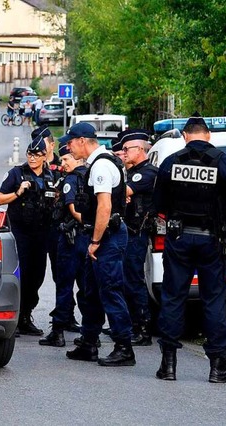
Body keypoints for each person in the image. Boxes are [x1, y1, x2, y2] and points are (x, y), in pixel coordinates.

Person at [153, 113, 226, 383]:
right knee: (214, 299)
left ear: (185, 136)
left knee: (173, 297)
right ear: (208, 136)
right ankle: (218, 366)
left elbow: (158, 204)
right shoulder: (225, 164)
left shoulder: (171, 162)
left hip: (179, 239)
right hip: (212, 239)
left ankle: (168, 364)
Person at [58, 122, 135, 367]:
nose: (68, 147)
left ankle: (124, 348)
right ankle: (88, 343)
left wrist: (95, 241)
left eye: (70, 142)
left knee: (110, 290)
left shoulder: (101, 164)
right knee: (90, 292)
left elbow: (104, 206)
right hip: (102, 233)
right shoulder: (103, 161)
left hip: (106, 236)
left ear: (82, 140)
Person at [0, 136, 56, 335]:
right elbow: (0, 198)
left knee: (36, 275)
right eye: (30, 154)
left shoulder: (50, 176)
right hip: (20, 232)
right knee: (19, 275)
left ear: (44, 156)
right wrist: (18, 193)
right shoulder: (16, 174)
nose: (32, 158)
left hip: (41, 233)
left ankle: (26, 315)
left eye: (36, 155)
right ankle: (15, 318)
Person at [40, 141, 86, 346]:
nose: (63, 163)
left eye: (67, 159)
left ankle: (58, 332)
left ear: (78, 159)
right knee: (86, 288)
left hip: (71, 239)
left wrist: (87, 222)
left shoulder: (72, 180)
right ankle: (89, 334)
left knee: (65, 286)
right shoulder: (89, 175)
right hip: (86, 238)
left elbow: (73, 209)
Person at [117, 129, 158, 346]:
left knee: (133, 280)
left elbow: (123, 192)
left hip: (137, 233)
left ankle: (142, 328)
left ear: (140, 150)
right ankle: (132, 324)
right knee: (125, 280)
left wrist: (123, 195)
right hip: (129, 232)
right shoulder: (133, 172)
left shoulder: (147, 172)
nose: (123, 153)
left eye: (126, 149)